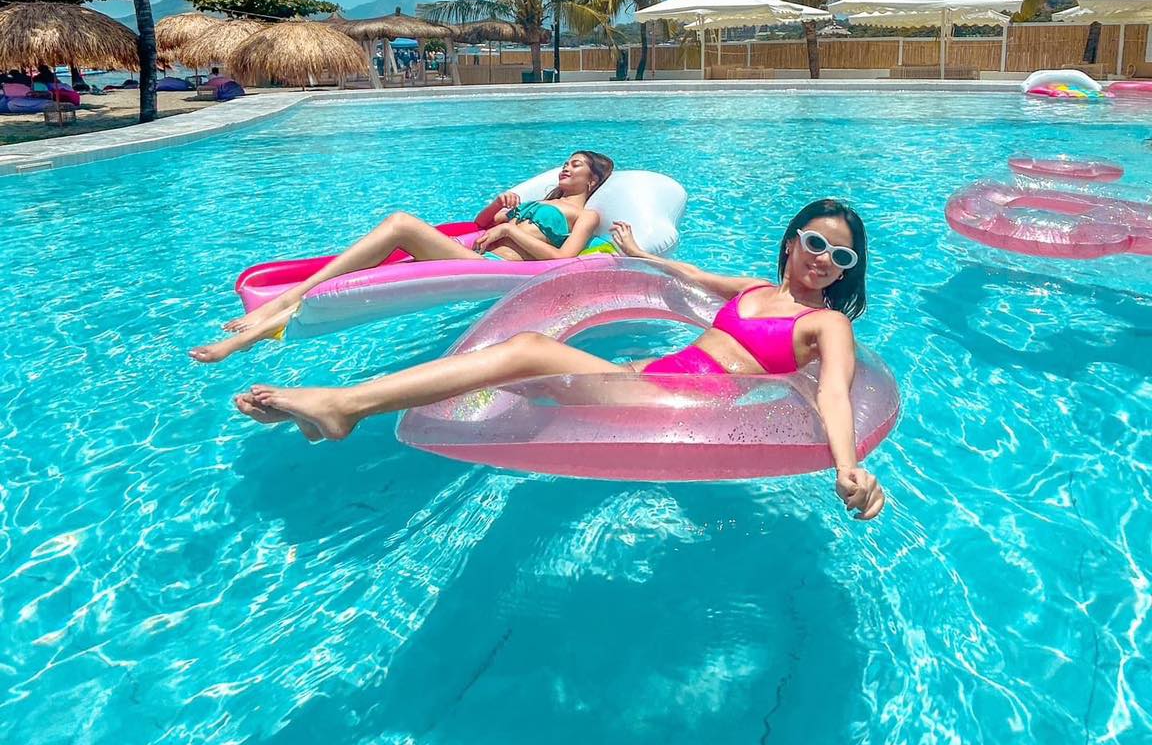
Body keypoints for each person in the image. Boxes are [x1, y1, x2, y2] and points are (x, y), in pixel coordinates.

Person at [233, 198, 886, 521]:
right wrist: (642, 256)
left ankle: (344, 405)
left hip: (680, 406)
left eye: (840, 256)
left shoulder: (826, 324)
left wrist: (848, 467)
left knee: (524, 352)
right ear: (793, 240)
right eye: (814, 241)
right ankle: (341, 409)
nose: (822, 258)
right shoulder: (753, 290)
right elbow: (687, 275)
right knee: (518, 369)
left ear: (846, 275)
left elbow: (832, 393)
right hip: (642, 382)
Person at [192, 150, 616, 363]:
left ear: (592, 177)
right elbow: (480, 223)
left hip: (496, 269)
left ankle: (279, 309)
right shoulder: (542, 199)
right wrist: (497, 210)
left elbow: (564, 259)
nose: (565, 168)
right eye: (565, 162)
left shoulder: (584, 212)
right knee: (368, 268)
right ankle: (270, 319)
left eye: (575, 165)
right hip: (471, 251)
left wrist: (508, 230)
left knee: (399, 224)